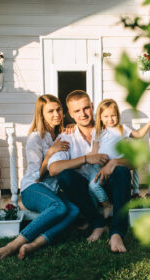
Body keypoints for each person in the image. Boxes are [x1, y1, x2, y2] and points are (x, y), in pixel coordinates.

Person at [0, 94, 79, 261]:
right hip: (32, 187)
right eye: (50, 111)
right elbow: (38, 175)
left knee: (74, 210)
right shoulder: (36, 137)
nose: (57, 114)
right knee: (59, 207)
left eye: (59, 109)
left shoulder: (61, 134)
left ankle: (33, 245)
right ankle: (13, 245)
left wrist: (72, 127)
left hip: (51, 189)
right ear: (41, 114)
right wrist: (50, 153)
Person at [48, 90, 131, 253]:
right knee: (65, 176)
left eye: (86, 108)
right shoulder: (67, 136)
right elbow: (53, 169)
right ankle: (97, 223)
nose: (83, 114)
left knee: (122, 171)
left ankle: (116, 232)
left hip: (107, 185)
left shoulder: (110, 128)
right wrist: (86, 158)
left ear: (92, 107)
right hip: (84, 193)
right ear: (70, 114)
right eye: (77, 111)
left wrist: (114, 162)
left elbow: (135, 161)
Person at [87, 99, 150, 218]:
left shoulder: (122, 129)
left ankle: (114, 210)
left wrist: (149, 123)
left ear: (117, 115)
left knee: (111, 184)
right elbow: (94, 150)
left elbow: (138, 135)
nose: (110, 119)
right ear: (100, 117)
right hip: (99, 164)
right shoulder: (98, 131)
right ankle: (106, 205)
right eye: (106, 116)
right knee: (92, 186)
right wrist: (87, 159)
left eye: (113, 115)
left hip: (116, 167)